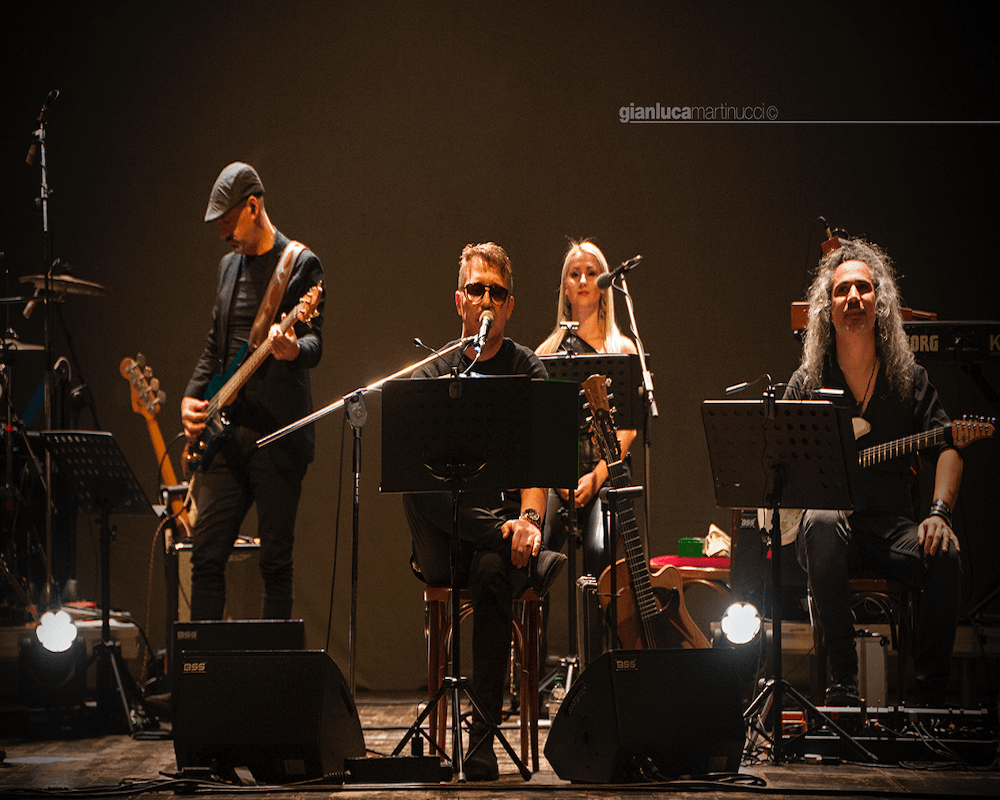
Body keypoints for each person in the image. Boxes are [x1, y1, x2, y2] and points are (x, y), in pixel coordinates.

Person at [402, 242, 566, 781]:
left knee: (495, 570)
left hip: (504, 542)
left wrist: (532, 524)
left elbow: (539, 473)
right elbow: (420, 476)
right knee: (415, 485)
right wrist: (504, 529)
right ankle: (515, 547)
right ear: (459, 300)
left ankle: (482, 740)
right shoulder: (435, 371)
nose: (487, 299)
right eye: (477, 290)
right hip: (449, 535)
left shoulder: (527, 370)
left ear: (511, 305)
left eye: (497, 291)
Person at [786, 238, 962, 707]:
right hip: (829, 530)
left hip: (891, 527)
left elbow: (946, 447)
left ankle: (930, 697)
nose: (854, 299)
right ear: (827, 307)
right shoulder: (808, 381)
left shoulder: (909, 379)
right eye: (843, 291)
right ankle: (843, 683)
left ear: (879, 302)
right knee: (822, 523)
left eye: (863, 289)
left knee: (943, 554)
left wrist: (940, 513)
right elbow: (779, 457)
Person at [181, 162, 324, 621]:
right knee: (205, 556)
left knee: (274, 563)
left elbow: (315, 342)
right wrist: (192, 396)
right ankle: (204, 673)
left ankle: (272, 682)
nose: (224, 235)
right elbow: (214, 347)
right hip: (226, 432)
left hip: (277, 436)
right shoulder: (228, 268)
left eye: (228, 223)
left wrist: (291, 349)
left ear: (253, 206)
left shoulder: (300, 263)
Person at [535, 240, 638, 666]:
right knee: (534, 552)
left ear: (603, 284)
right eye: (574, 273)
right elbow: (541, 429)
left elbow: (630, 426)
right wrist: (561, 479)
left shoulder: (623, 349)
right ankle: (530, 675)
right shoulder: (544, 354)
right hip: (561, 477)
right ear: (564, 286)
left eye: (590, 272)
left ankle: (598, 666)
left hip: (607, 473)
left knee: (599, 551)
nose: (582, 280)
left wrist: (596, 476)